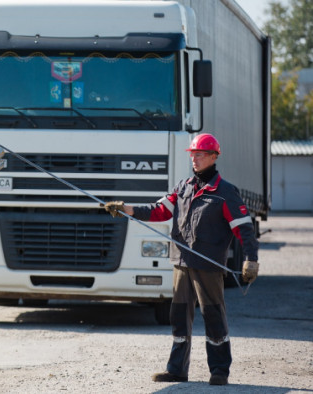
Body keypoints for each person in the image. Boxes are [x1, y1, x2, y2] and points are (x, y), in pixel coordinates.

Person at [104, 133, 259, 386]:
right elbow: (158, 210)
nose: (194, 159)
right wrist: (125, 209)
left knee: (213, 315)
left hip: (208, 265)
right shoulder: (183, 187)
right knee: (178, 315)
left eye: (199, 154)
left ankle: (219, 370)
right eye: (192, 154)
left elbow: (244, 228)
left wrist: (251, 260)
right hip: (181, 263)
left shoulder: (225, 192)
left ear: (213, 157)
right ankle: (176, 370)